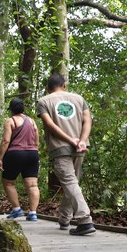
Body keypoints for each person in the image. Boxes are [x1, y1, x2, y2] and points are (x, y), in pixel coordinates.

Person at [37, 74, 95, 235]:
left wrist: (71, 140)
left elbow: (49, 124)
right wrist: (81, 140)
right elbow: (87, 121)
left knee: (70, 182)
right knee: (72, 183)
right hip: (80, 147)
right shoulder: (78, 99)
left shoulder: (43, 101)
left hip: (60, 146)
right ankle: (64, 218)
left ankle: (84, 220)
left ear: (48, 88)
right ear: (64, 85)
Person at [0, 98, 40, 221]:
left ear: (11, 109)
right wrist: (35, 152)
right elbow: (36, 140)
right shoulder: (32, 121)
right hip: (32, 153)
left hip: (15, 154)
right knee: (32, 185)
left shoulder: (10, 121)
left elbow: (6, 141)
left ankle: (17, 209)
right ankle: (33, 213)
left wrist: (0, 157)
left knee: (8, 182)